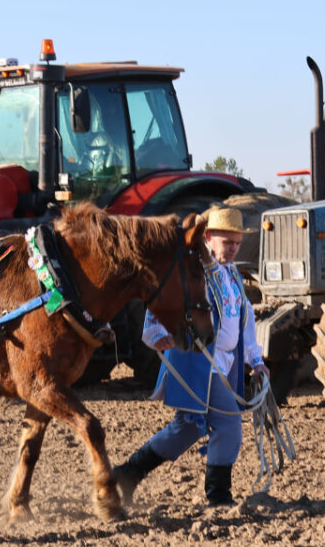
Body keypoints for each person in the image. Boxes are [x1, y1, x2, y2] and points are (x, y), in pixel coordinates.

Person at [112, 207, 269, 507]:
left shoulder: (233, 274)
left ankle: (127, 473)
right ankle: (218, 495)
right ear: (208, 238)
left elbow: (245, 318)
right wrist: (156, 332)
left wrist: (255, 359)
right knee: (227, 424)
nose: (234, 249)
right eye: (228, 243)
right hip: (196, 362)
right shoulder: (194, 270)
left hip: (223, 363)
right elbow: (166, 303)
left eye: (237, 243)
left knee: (185, 428)